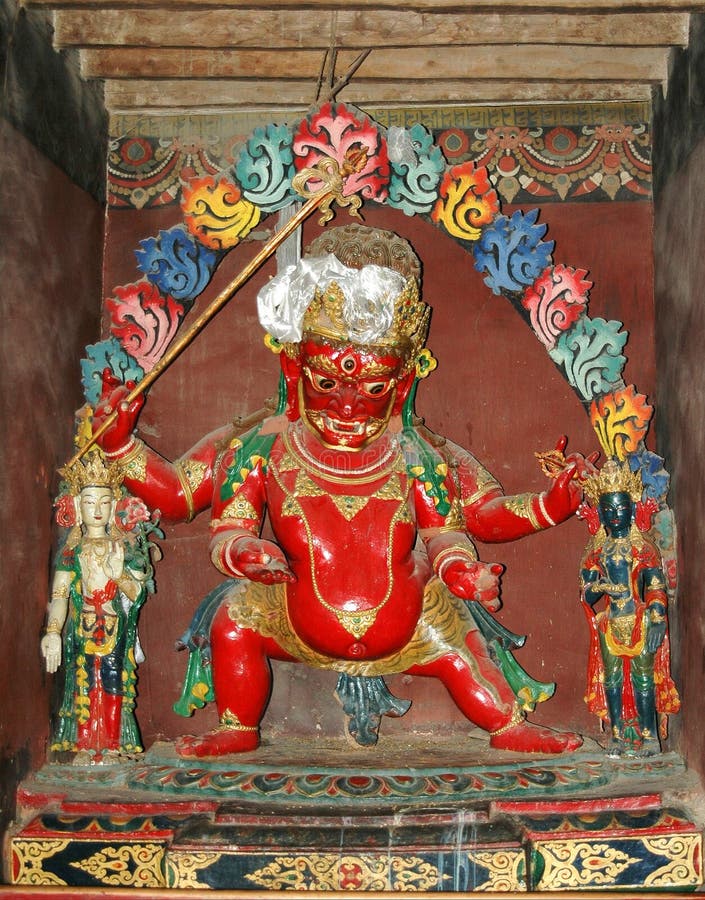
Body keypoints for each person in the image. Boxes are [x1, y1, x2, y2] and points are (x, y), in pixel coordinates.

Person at [94, 225, 595, 758]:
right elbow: (180, 498)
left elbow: (471, 521)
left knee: (461, 647)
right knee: (235, 617)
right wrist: (128, 452)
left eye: (375, 388)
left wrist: (542, 511)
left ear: (402, 383)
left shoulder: (419, 454)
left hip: (413, 622)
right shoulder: (260, 448)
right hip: (291, 618)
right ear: (293, 367)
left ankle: (508, 724)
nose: (349, 406)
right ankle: (237, 727)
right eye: (327, 383)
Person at [41, 451, 153, 764]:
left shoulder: (123, 548)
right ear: (77, 506)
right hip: (83, 625)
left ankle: (114, 744)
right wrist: (53, 632)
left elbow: (136, 592)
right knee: (85, 681)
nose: (98, 510)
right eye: (90, 502)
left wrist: (120, 575)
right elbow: (61, 594)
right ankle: (88, 744)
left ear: (115, 506)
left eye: (104, 503)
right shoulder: (72, 552)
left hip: (115, 628)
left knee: (115, 680)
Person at [580, 459, 680, 756]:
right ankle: (617, 734)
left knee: (643, 680)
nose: (615, 515)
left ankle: (650, 737)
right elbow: (586, 595)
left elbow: (656, 585)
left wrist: (658, 614)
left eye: (622, 508)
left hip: (639, 618)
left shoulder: (642, 548)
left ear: (632, 510)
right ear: (600, 513)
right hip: (610, 620)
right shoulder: (597, 550)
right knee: (611, 680)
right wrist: (596, 586)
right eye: (608, 510)